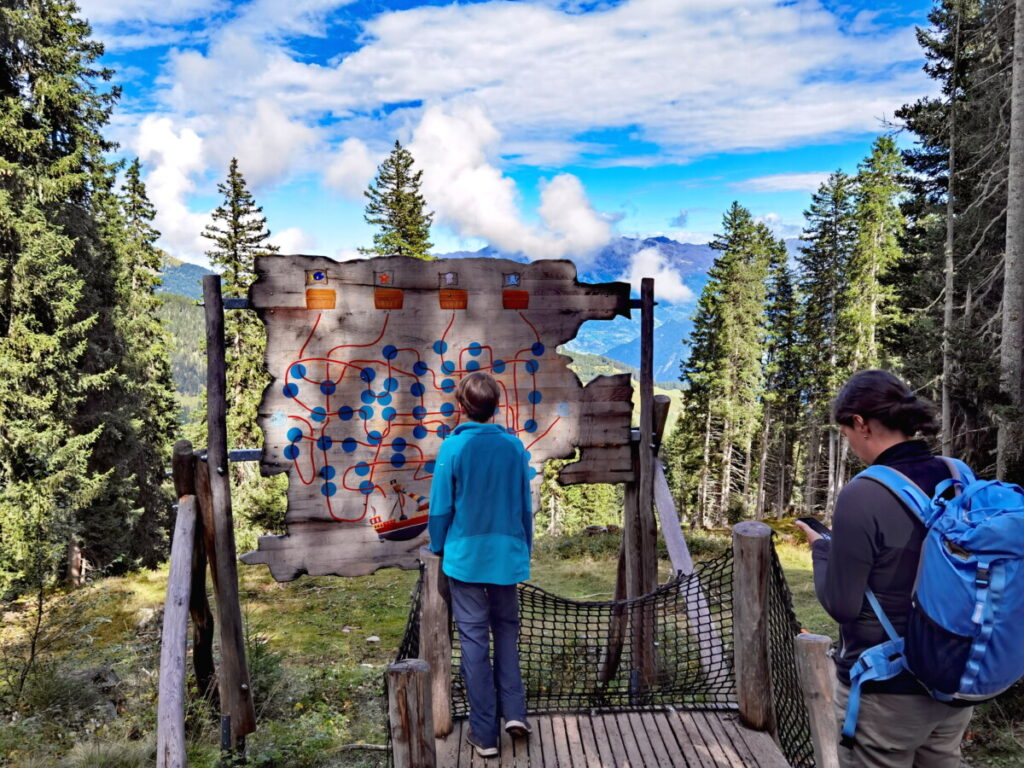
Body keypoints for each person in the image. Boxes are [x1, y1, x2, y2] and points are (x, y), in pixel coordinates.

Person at [795, 369, 974, 768]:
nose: (851, 444)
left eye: (846, 433)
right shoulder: (958, 476)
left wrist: (822, 550)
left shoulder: (864, 492)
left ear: (860, 423)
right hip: (956, 677)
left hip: (888, 688)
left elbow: (842, 605)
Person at [427, 371, 534, 758]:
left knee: (474, 643)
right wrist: (525, 549)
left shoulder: (452, 449)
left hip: (466, 559)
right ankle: (516, 713)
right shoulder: (513, 447)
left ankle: (485, 734)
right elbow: (525, 507)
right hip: (507, 558)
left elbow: (441, 509)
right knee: (506, 633)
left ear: (462, 406)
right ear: (495, 406)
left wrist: (439, 546)